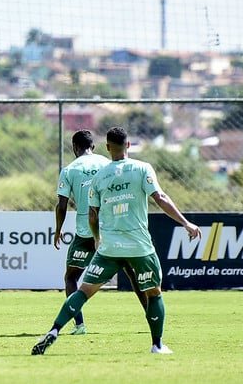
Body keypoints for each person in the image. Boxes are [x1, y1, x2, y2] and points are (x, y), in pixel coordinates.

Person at [33, 126, 201, 356]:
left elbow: (92, 215)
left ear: (108, 147)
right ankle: (157, 344)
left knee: (82, 290)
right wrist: (186, 223)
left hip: (109, 246)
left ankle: (54, 330)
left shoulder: (99, 177)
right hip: (139, 245)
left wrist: (97, 238)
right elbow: (160, 198)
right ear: (128, 145)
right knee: (153, 292)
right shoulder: (142, 168)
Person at [54, 130, 148, 335]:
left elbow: (61, 205)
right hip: (112, 228)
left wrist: (58, 230)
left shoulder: (69, 170)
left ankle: (79, 325)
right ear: (93, 147)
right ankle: (151, 315)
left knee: (71, 277)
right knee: (132, 273)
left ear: (74, 147)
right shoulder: (106, 164)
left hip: (85, 232)